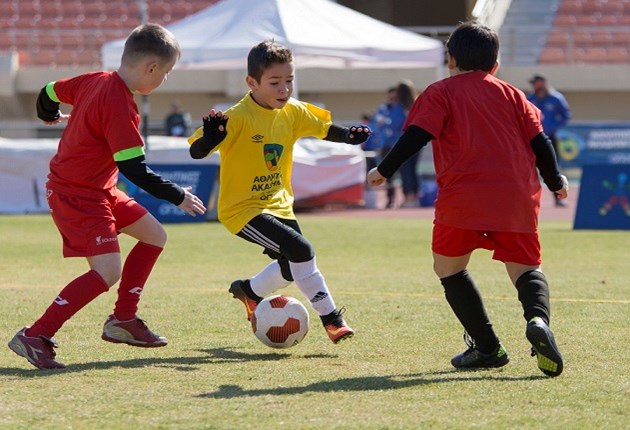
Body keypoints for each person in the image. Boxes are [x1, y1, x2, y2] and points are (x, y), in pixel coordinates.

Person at [367, 21, 568, 377]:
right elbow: (542, 143)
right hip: (516, 198)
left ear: (451, 59)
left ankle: (488, 347)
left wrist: (384, 170)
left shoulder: (441, 92)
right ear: (496, 64)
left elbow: (416, 136)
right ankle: (537, 319)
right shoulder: (514, 94)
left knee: (449, 269)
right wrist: (555, 182)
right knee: (526, 269)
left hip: (463, 200)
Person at [7, 24, 207, 370]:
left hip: (97, 189)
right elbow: (134, 169)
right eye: (167, 72)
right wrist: (178, 196)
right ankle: (35, 335)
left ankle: (123, 321)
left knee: (154, 235)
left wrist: (49, 115)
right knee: (107, 270)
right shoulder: (120, 104)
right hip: (77, 195)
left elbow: (48, 91)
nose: (165, 79)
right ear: (151, 69)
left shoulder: (93, 79)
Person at [188, 40, 371, 344]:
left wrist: (349, 136)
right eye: (274, 82)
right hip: (242, 210)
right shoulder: (238, 116)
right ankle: (332, 319)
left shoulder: (293, 111)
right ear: (252, 82)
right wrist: (209, 139)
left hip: (279, 204)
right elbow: (197, 152)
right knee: (301, 250)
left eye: (289, 81)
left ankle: (249, 291)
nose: (284, 89)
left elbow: (326, 129)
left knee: (291, 266)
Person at [527, 74, 571, 207]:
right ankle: (528, 198)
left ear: (543, 83)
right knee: (528, 168)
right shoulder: (530, 98)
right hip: (531, 138)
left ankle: (559, 197)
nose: (535, 86)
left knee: (553, 167)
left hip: (549, 138)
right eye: (533, 83)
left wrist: (553, 128)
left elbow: (566, 115)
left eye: (537, 83)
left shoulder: (556, 98)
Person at [394, 80, 420, 208]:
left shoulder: (399, 106)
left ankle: (408, 197)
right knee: (413, 169)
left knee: (405, 170)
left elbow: (396, 124)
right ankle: (414, 196)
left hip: (402, 141)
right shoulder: (417, 103)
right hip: (417, 141)